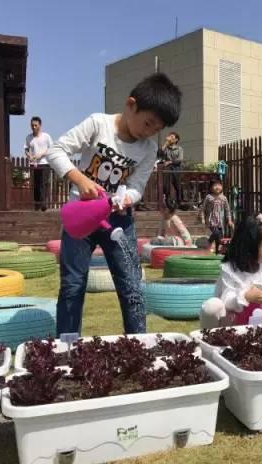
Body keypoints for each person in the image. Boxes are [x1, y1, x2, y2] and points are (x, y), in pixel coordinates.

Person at [46, 73, 181, 335]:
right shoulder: (99, 124)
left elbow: (138, 186)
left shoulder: (149, 148)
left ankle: (138, 344)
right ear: (131, 105)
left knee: (131, 285)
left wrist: (127, 198)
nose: (149, 132)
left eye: (156, 129)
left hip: (119, 221)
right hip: (81, 219)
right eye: (148, 123)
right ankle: (68, 347)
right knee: (73, 285)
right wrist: (78, 178)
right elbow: (56, 150)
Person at [200, 214, 262, 328]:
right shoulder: (230, 269)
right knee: (212, 306)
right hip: (230, 321)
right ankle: (209, 337)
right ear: (250, 246)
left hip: (256, 320)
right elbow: (227, 300)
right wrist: (245, 296)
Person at [25, 116, 54, 210]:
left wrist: (41, 154)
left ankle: (43, 204)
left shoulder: (46, 136)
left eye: (35, 125)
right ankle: (37, 205)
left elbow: (51, 148)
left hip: (44, 163)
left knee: (43, 183)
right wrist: (29, 155)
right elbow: (26, 148)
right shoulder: (29, 137)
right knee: (36, 184)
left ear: (40, 125)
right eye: (32, 125)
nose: (33, 127)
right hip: (34, 164)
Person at [200, 178, 234, 254]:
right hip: (211, 221)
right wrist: (202, 218)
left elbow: (227, 210)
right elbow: (203, 209)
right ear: (211, 188)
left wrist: (229, 220)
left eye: (219, 185)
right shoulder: (208, 197)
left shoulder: (224, 198)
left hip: (220, 222)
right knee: (216, 233)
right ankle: (209, 242)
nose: (217, 187)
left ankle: (217, 252)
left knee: (219, 239)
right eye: (215, 185)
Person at [160, 131, 184, 202]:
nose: (170, 138)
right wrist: (166, 142)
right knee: (166, 185)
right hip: (168, 169)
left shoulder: (179, 148)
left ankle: (180, 201)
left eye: (172, 137)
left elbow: (180, 159)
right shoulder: (167, 148)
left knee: (178, 185)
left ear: (176, 140)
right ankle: (168, 201)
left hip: (177, 168)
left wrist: (170, 162)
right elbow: (160, 153)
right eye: (169, 136)